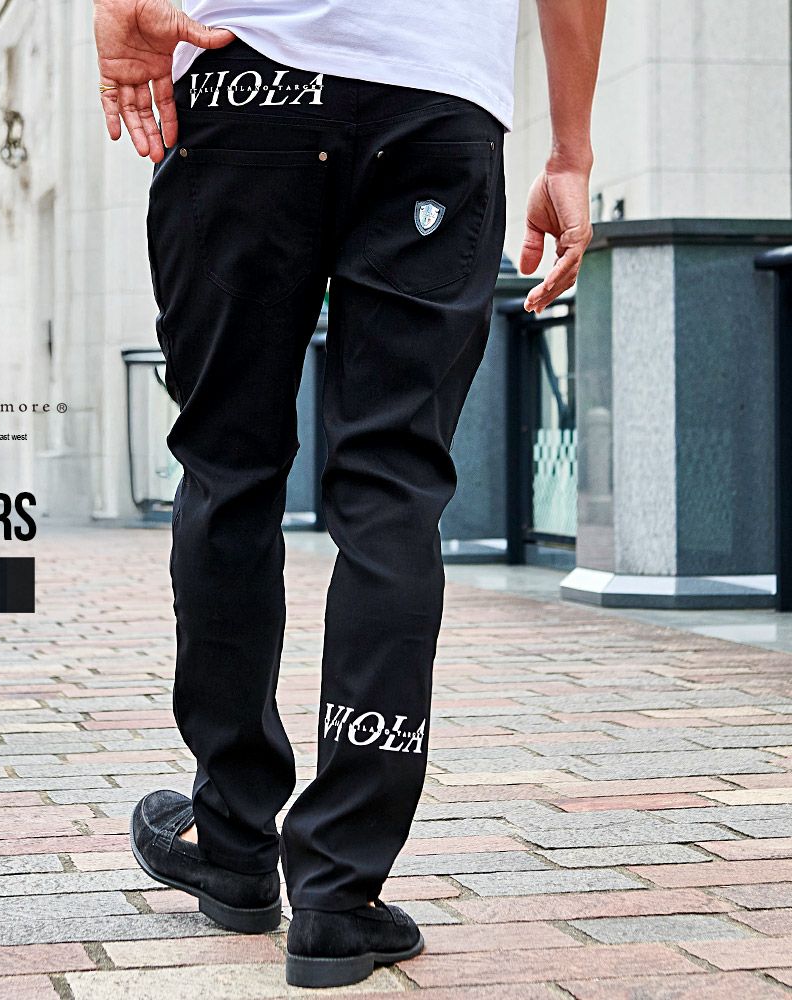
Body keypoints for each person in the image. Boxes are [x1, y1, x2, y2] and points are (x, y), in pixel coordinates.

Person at [92, 0, 605, 988]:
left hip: (248, 82)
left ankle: (231, 836)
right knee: (394, 489)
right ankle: (338, 888)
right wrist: (570, 148)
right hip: (436, 99)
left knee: (229, 469)